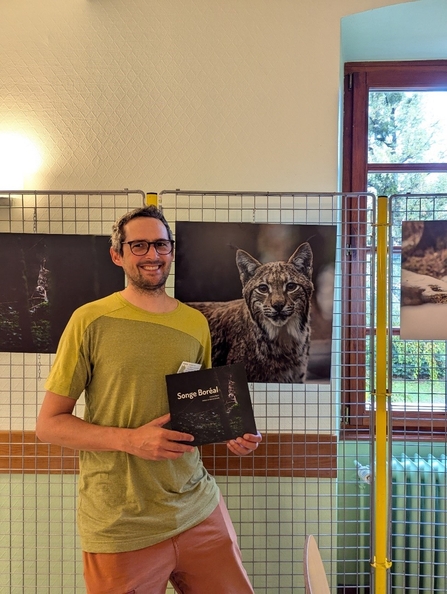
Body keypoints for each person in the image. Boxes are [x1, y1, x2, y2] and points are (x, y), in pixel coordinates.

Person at [36, 205, 262, 594]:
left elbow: (204, 405)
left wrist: (231, 433)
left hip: (199, 509)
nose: (152, 255)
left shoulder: (195, 323)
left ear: (172, 251)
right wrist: (130, 440)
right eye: (138, 245)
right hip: (121, 522)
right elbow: (49, 424)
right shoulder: (89, 320)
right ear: (117, 254)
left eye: (160, 245)